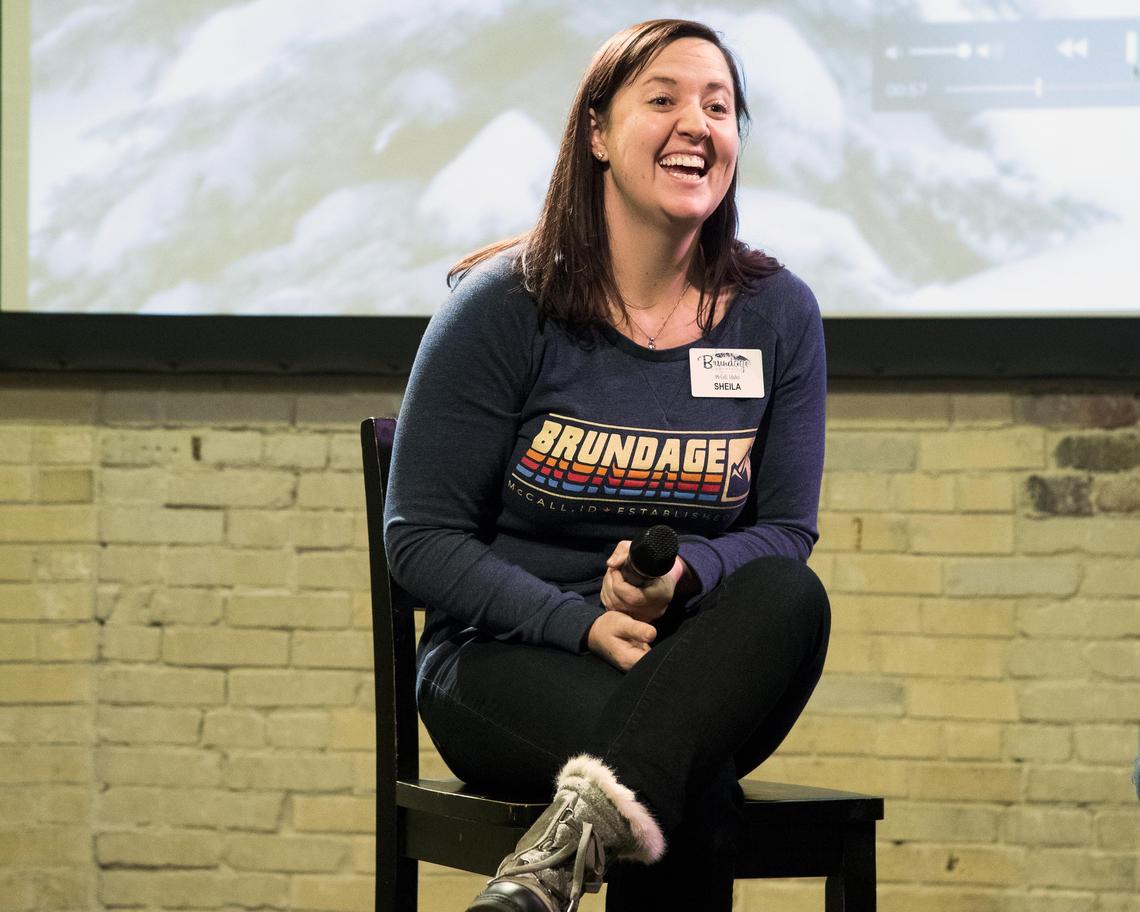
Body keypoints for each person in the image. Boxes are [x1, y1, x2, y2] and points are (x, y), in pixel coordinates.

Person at [384, 18, 830, 912]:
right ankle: (599, 818)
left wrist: (690, 576)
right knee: (683, 776)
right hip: (507, 659)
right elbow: (420, 540)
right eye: (662, 99)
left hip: (690, 661)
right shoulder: (505, 306)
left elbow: (785, 531)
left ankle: (559, 856)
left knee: (790, 595)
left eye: (719, 105)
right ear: (595, 131)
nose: (697, 124)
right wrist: (577, 623)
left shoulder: (777, 313)